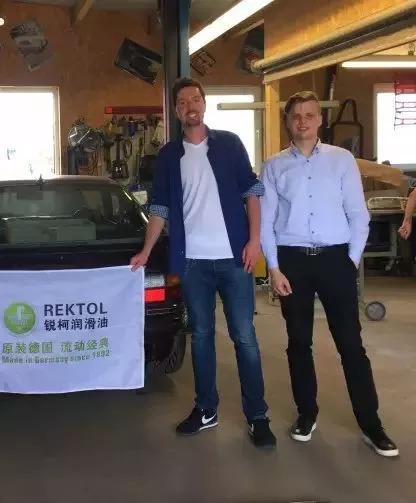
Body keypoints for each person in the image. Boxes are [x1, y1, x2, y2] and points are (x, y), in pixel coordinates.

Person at [131, 78, 276, 448]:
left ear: (204, 104)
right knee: (201, 337)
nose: (190, 106)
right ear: (177, 110)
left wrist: (254, 241)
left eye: (195, 99)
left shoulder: (229, 144)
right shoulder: (168, 156)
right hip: (194, 264)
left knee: (244, 337)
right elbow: (159, 208)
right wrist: (146, 251)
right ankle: (206, 409)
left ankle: (257, 416)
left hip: (234, 260)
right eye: (182, 102)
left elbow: (252, 192)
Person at [260, 91, 398, 457]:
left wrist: (349, 261)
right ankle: (306, 415)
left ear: (319, 120)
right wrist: (273, 267)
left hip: (336, 260)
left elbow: (358, 214)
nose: (302, 121)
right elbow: (266, 221)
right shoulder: (273, 166)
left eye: (309, 115)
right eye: (296, 116)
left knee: (351, 344)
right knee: (298, 343)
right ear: (287, 121)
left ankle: (371, 425)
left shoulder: (341, 160)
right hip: (292, 263)